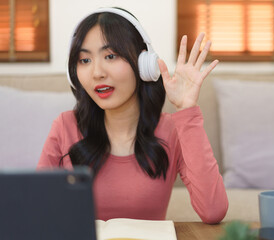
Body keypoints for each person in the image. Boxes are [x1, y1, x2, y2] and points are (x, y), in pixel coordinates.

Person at [37, 7, 228, 224]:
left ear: (143, 63)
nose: (97, 72)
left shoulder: (172, 131)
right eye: (85, 60)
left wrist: (187, 110)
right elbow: (35, 209)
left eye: (110, 56)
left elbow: (213, 211)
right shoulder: (65, 126)